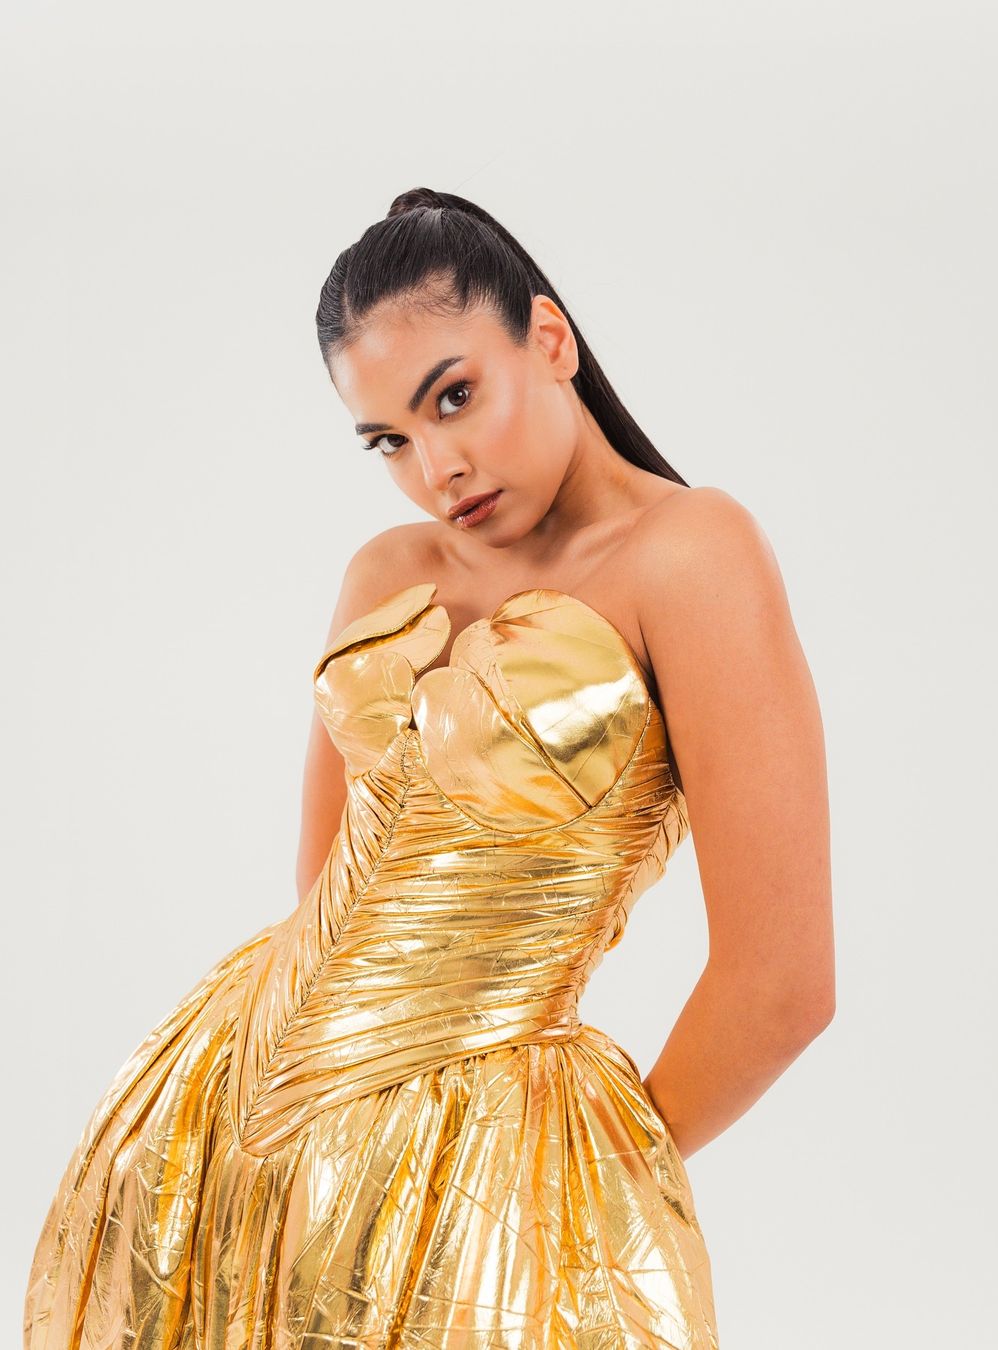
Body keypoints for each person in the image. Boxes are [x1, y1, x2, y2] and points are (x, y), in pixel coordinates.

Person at [24, 187, 835, 1348]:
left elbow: (783, 983)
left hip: (483, 1182)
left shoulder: (690, 554)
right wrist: (291, 1137)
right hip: (207, 1132)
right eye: (389, 441)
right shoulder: (385, 572)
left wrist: (583, 1189)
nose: (435, 467)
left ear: (548, 340)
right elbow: (319, 888)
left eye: (455, 397)